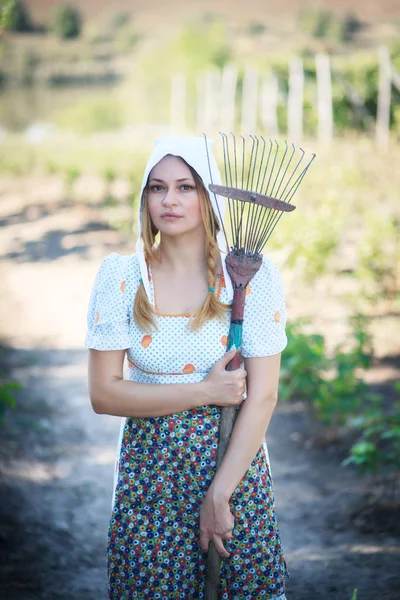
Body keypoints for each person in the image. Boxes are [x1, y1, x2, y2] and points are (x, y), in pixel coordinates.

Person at [84, 136, 289, 599]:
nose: (169, 200)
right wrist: (205, 391)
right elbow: (104, 394)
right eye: (157, 188)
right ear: (145, 197)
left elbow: (262, 396)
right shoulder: (120, 278)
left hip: (234, 467)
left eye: (185, 187)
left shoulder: (251, 277)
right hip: (149, 476)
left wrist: (220, 494)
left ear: (209, 197)